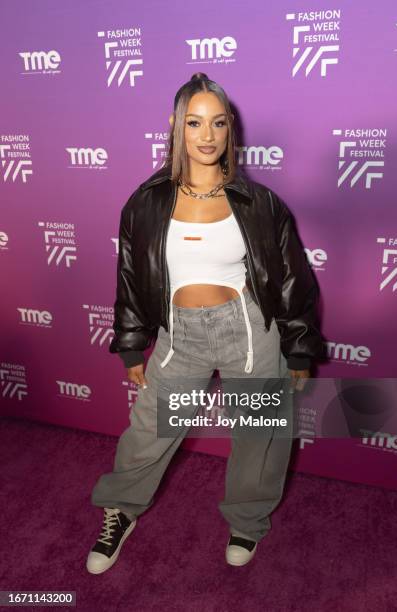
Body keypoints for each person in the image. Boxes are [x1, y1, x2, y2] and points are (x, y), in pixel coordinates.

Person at [86, 73, 323, 574]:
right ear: (176, 126)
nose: (208, 135)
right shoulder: (146, 203)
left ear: (230, 127)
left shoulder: (260, 204)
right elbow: (131, 277)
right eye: (195, 123)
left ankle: (247, 521)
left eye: (218, 122)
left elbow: (291, 282)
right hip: (181, 336)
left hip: (251, 332)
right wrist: (132, 346)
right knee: (148, 431)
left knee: (259, 436)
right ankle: (120, 511)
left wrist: (299, 348)